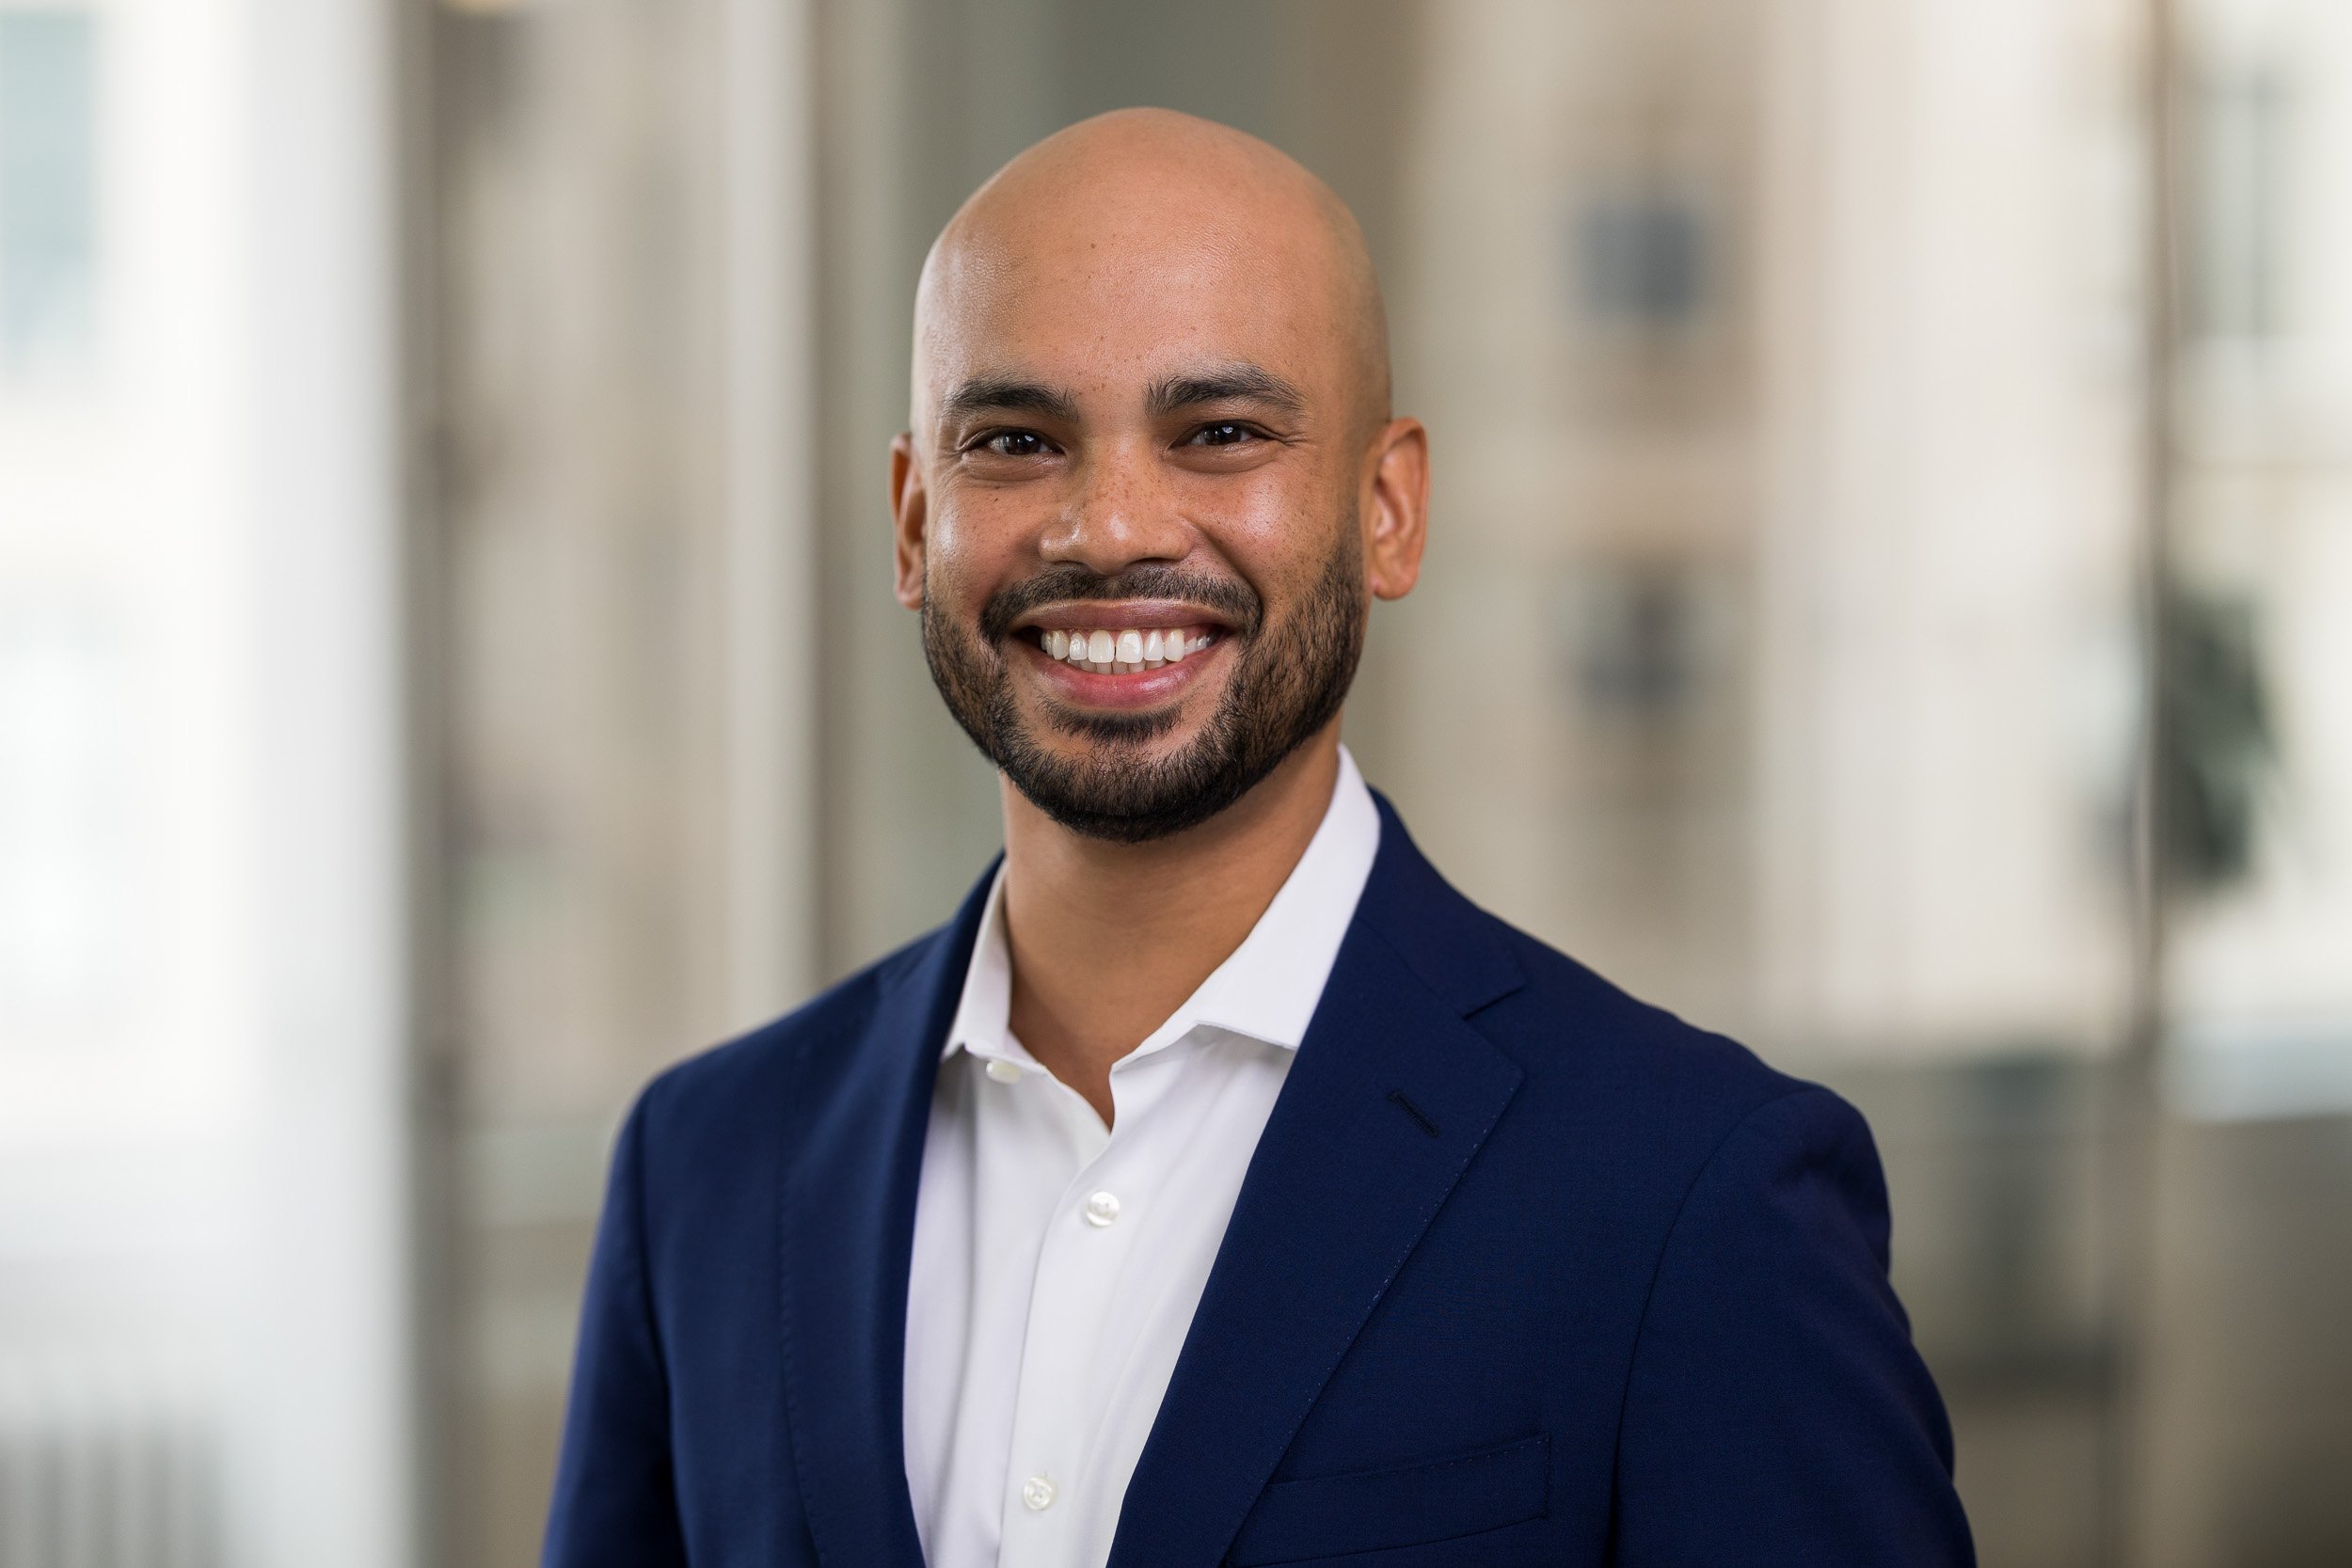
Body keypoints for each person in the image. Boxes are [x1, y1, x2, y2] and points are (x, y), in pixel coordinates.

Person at [542, 108, 1973, 1568]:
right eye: (1017, 441)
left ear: (1389, 508)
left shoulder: (1692, 1194)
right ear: (915, 523)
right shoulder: (703, 1171)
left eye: (1219, 434)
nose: (1107, 528)